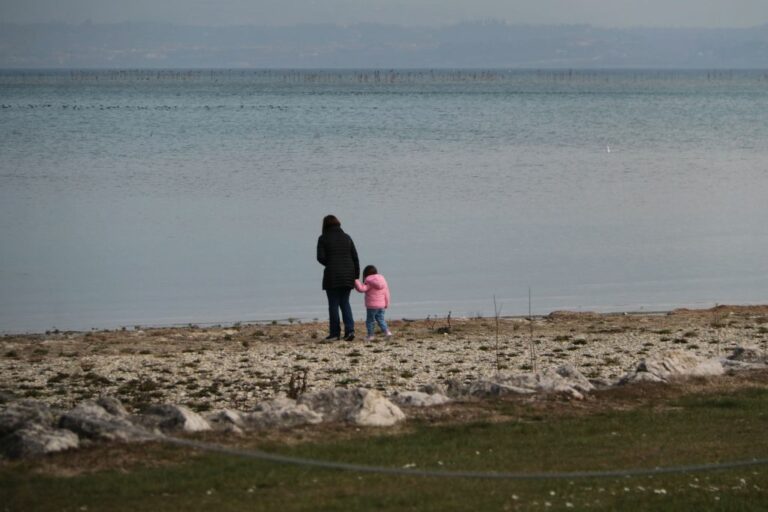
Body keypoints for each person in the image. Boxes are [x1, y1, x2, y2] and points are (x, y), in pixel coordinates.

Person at [317, 215, 359, 341]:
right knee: (345, 303)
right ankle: (350, 331)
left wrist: (331, 263)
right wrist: (356, 276)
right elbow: (355, 258)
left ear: (325, 225)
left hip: (332, 275)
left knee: (333, 304)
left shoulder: (323, 238)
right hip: (348, 275)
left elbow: (320, 257)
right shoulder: (347, 237)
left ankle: (335, 333)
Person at [354, 264, 392, 342]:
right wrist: (387, 303)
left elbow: (361, 289)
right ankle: (387, 332)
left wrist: (356, 281)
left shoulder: (369, 281)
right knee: (381, 319)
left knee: (370, 321)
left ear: (365, 274)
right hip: (381, 305)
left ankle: (370, 336)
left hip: (372, 306)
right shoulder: (382, 280)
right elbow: (387, 293)